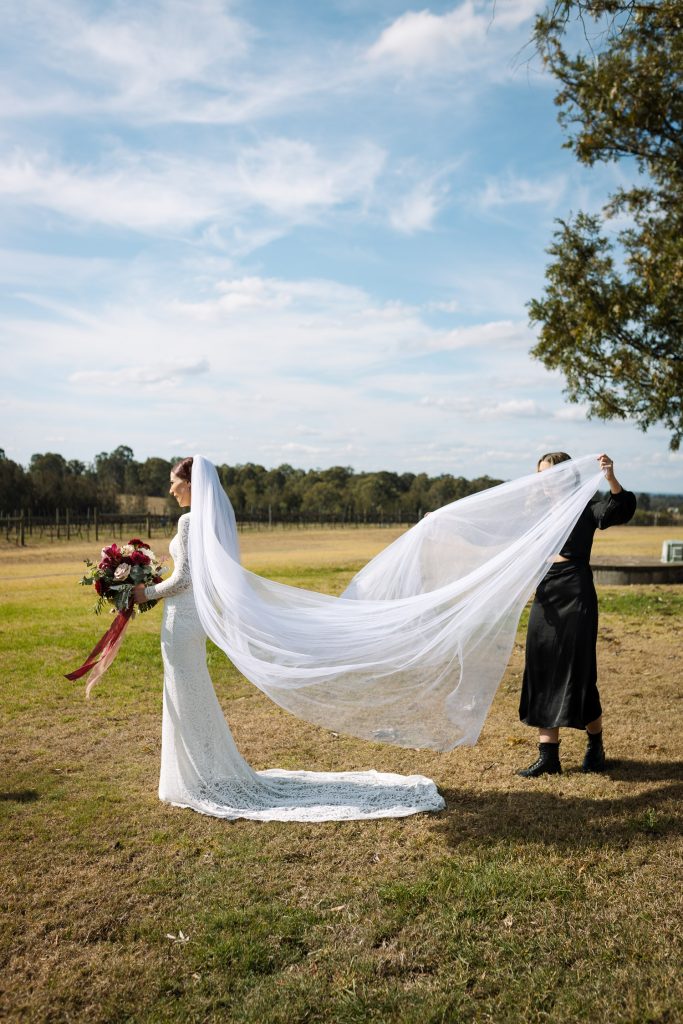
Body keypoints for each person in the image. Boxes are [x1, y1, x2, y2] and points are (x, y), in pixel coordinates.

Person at [132, 456, 445, 822]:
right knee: (190, 692)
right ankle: (199, 771)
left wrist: (144, 592)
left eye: (175, 483)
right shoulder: (208, 520)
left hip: (182, 620)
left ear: (191, 484)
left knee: (185, 693)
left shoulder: (188, 521)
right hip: (190, 618)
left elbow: (184, 580)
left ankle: (195, 776)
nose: (171, 490)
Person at [517, 452, 636, 778]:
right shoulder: (536, 513)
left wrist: (610, 477)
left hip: (576, 592)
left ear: (567, 476)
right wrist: (442, 519)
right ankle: (548, 757)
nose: (544, 481)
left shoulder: (586, 507)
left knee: (579, 672)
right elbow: (494, 530)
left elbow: (619, 509)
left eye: (551, 475)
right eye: (540, 475)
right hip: (547, 596)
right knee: (540, 667)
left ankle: (595, 747)